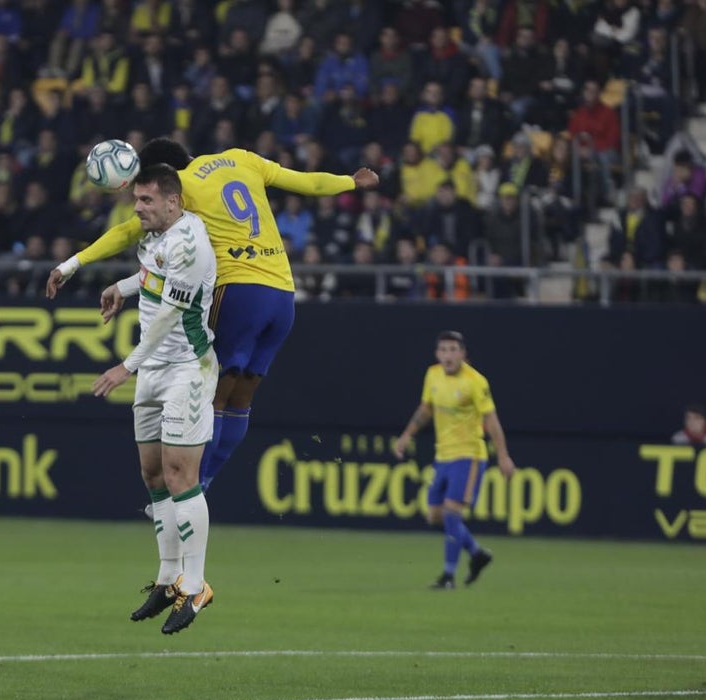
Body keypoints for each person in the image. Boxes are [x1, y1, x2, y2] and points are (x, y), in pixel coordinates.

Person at [47, 136, 379, 492]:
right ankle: (205, 479)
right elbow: (307, 182)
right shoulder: (242, 158)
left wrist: (73, 263)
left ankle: (192, 486)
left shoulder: (183, 189)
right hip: (282, 295)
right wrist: (350, 181)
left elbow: (128, 232)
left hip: (238, 292)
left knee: (214, 395)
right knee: (243, 398)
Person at [89, 163, 219, 635]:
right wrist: (121, 287)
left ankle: (197, 583)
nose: (137, 207)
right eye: (136, 199)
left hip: (187, 369)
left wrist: (128, 364)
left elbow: (169, 314)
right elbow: (151, 277)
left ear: (173, 201)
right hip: (154, 371)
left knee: (183, 474)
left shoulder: (191, 242)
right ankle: (169, 578)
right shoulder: (156, 238)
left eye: (146, 201)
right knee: (153, 474)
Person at [392, 331, 516, 589]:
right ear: (437, 354)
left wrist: (503, 455)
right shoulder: (433, 374)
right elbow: (426, 409)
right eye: (443, 350)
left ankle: (448, 576)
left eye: (453, 350)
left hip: (469, 456)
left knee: (452, 512)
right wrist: (406, 436)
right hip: (443, 456)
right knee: (435, 516)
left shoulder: (475, 382)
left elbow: (491, 420)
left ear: (463, 354)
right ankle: (477, 553)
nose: (448, 355)